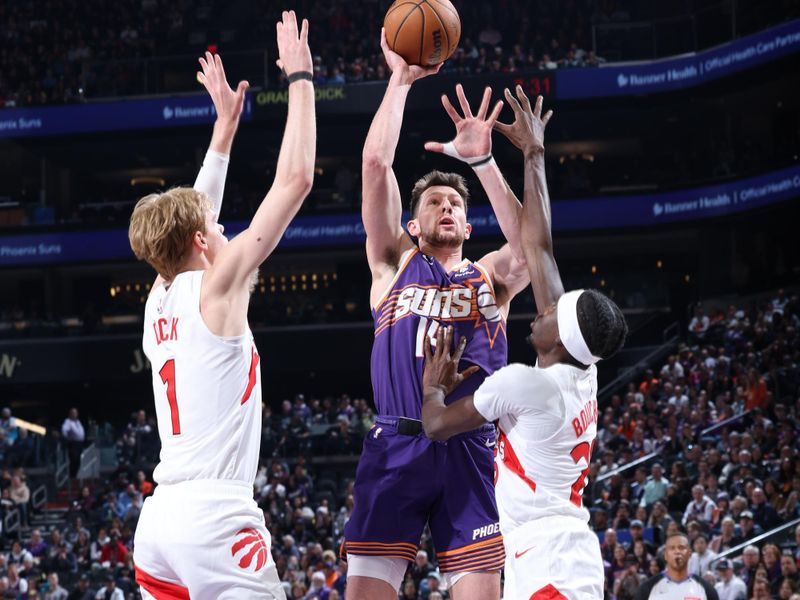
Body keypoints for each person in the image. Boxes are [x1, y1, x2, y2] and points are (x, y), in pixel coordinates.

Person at [129, 11, 315, 599]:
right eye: (215, 226)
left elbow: (194, 213)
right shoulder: (217, 287)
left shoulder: (158, 298)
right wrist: (302, 79)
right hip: (214, 515)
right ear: (199, 243)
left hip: (158, 524)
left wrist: (224, 131)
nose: (223, 225)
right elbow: (296, 182)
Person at [343, 31, 531, 600]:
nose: (446, 206)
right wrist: (400, 81)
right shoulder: (391, 267)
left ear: (470, 227)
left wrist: (484, 162)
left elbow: (531, 251)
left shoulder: (490, 275)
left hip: (469, 447)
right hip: (395, 443)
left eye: (455, 203)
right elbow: (375, 164)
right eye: (433, 203)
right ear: (413, 225)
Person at [420, 88, 628, 598]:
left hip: (548, 563)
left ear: (560, 338)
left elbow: (437, 424)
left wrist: (431, 387)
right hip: (558, 548)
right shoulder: (577, 362)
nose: (543, 308)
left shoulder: (524, 385)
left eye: (552, 312)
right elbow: (538, 248)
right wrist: (529, 155)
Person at [636, 533, 719, 600]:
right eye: (672, 548)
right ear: (665, 555)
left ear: (690, 553)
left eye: (681, 547)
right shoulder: (647, 588)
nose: (677, 552)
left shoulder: (706, 589)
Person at [61, 408, 85, 479]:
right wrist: (66, 437)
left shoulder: (78, 422)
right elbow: (64, 430)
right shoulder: (68, 421)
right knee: (74, 459)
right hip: (73, 443)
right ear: (70, 414)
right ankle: (72, 475)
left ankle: (75, 475)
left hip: (79, 443)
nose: (75, 414)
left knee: (78, 460)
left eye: (76, 413)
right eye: (73, 413)